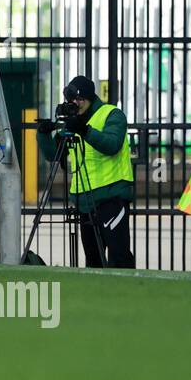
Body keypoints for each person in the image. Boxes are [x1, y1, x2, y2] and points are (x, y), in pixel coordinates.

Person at [37, 75, 135, 269]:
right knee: (93, 259)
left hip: (111, 195)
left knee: (119, 256)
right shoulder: (73, 122)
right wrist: (44, 134)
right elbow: (55, 155)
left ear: (90, 98)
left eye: (80, 100)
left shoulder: (112, 114)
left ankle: (127, 295)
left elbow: (112, 145)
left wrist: (84, 130)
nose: (76, 104)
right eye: (72, 100)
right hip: (85, 201)